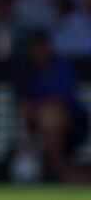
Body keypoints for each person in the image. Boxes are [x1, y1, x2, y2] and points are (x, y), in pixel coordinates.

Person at [15, 31, 91, 183]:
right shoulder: (25, 70)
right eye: (35, 47)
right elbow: (24, 106)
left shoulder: (61, 66)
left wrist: (39, 109)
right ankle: (52, 167)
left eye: (42, 46)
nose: (39, 51)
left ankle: (58, 168)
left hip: (74, 123)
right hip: (38, 125)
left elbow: (61, 100)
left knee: (50, 115)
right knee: (42, 116)